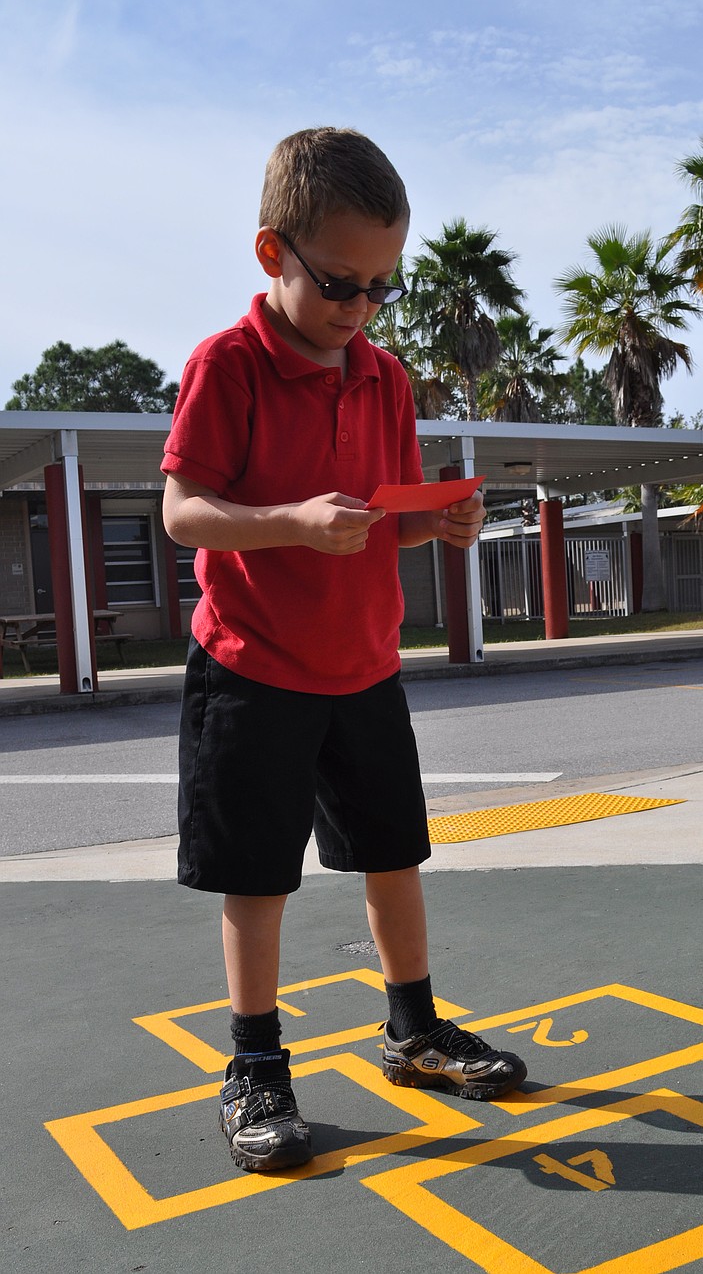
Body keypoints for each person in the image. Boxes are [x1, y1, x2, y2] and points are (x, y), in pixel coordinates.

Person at [161, 126, 526, 1174]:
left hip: (364, 664)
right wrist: (292, 522)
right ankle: (254, 1063)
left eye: (381, 286)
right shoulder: (227, 365)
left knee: (392, 853)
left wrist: (436, 523)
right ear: (272, 252)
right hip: (253, 665)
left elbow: (377, 520)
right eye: (339, 283)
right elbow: (183, 513)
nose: (360, 307)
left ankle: (413, 1030)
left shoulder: (385, 377)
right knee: (258, 875)